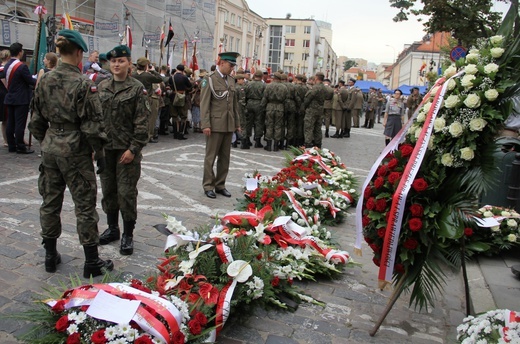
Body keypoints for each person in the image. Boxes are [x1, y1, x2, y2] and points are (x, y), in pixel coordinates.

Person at [28, 29, 114, 278]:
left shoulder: (44, 79)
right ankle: (91, 261)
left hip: (51, 147)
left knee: (50, 202)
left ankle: (50, 255)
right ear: (78, 53)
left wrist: (46, 141)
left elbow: (36, 120)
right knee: (85, 205)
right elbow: (93, 126)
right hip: (75, 151)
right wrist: (100, 154)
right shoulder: (83, 83)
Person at [97, 45, 150, 255]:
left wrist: (133, 149)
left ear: (129, 63)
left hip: (126, 151)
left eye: (121, 61)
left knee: (126, 194)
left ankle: (128, 234)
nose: (116, 65)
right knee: (108, 191)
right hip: (105, 150)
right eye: (113, 61)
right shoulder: (101, 86)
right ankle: (112, 228)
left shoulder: (137, 88)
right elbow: (96, 118)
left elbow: (143, 123)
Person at [200, 51, 241, 199]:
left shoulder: (230, 80)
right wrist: (205, 124)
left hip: (228, 124)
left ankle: (220, 184)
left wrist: (237, 123)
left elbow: (234, 104)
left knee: (225, 157)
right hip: (215, 124)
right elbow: (204, 104)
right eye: (230, 65)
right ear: (221, 62)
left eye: (233, 66)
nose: (232, 68)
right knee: (210, 157)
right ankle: (208, 185)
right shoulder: (209, 80)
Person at [0, 42, 36, 154]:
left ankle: (11, 145)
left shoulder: (7, 65)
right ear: (20, 52)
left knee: (10, 122)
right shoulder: (21, 66)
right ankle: (20, 146)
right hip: (21, 99)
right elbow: (30, 81)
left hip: (10, 96)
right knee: (20, 123)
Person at [132, 57, 164, 143]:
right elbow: (160, 78)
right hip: (146, 99)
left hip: (134, 99)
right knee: (150, 118)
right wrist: (153, 71)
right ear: (146, 66)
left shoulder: (133, 74)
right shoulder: (147, 76)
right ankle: (149, 136)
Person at [261, 72, 287, 152]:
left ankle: (269, 145)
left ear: (274, 78)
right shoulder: (284, 87)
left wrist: (262, 107)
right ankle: (276, 146)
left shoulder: (269, 86)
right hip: (280, 107)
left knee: (269, 125)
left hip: (270, 106)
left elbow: (265, 97)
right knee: (278, 126)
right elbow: (286, 99)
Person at [303, 72, 328, 148]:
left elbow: (308, 98)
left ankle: (308, 144)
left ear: (316, 78)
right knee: (318, 128)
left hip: (312, 110)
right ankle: (318, 144)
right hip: (320, 110)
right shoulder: (324, 88)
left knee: (309, 127)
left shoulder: (316, 87)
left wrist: (304, 106)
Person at [170, 64, 193, 140]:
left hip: (173, 97)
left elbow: (169, 85)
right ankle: (181, 133)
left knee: (175, 116)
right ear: (183, 70)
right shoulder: (184, 77)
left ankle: (175, 133)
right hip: (182, 96)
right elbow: (190, 86)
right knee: (183, 116)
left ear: (176, 69)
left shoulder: (172, 77)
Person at [245, 70, 266, 148]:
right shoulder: (263, 85)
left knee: (248, 122)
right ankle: (258, 141)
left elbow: (245, 94)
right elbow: (265, 96)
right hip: (259, 104)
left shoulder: (248, 84)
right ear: (261, 77)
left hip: (249, 103)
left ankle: (247, 139)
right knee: (259, 122)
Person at [0, 50, 9, 147]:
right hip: (4, 95)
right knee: (5, 119)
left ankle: (7, 139)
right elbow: (6, 84)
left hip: (3, 95)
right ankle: (6, 140)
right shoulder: (3, 69)